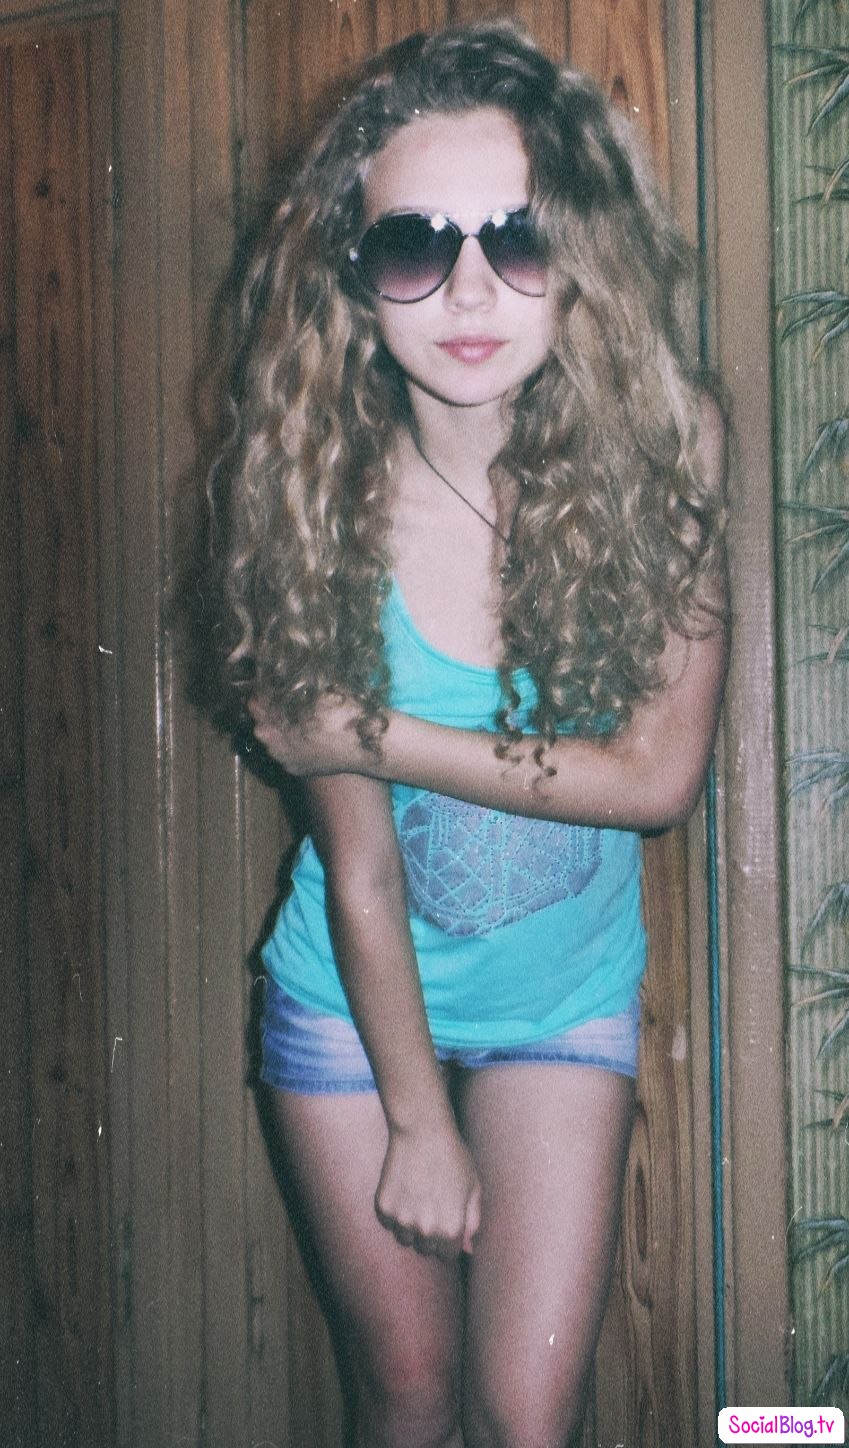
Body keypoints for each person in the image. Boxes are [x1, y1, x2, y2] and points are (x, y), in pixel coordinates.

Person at [212, 19, 728, 1448]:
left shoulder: (670, 442)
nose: (470, 291)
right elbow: (362, 870)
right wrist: (416, 1122)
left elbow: (657, 778)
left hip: (563, 1000)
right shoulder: (311, 497)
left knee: (525, 1415)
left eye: (518, 237)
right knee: (409, 1395)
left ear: (584, 254)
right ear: (352, 276)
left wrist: (365, 733)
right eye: (412, 247)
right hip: (352, 998)